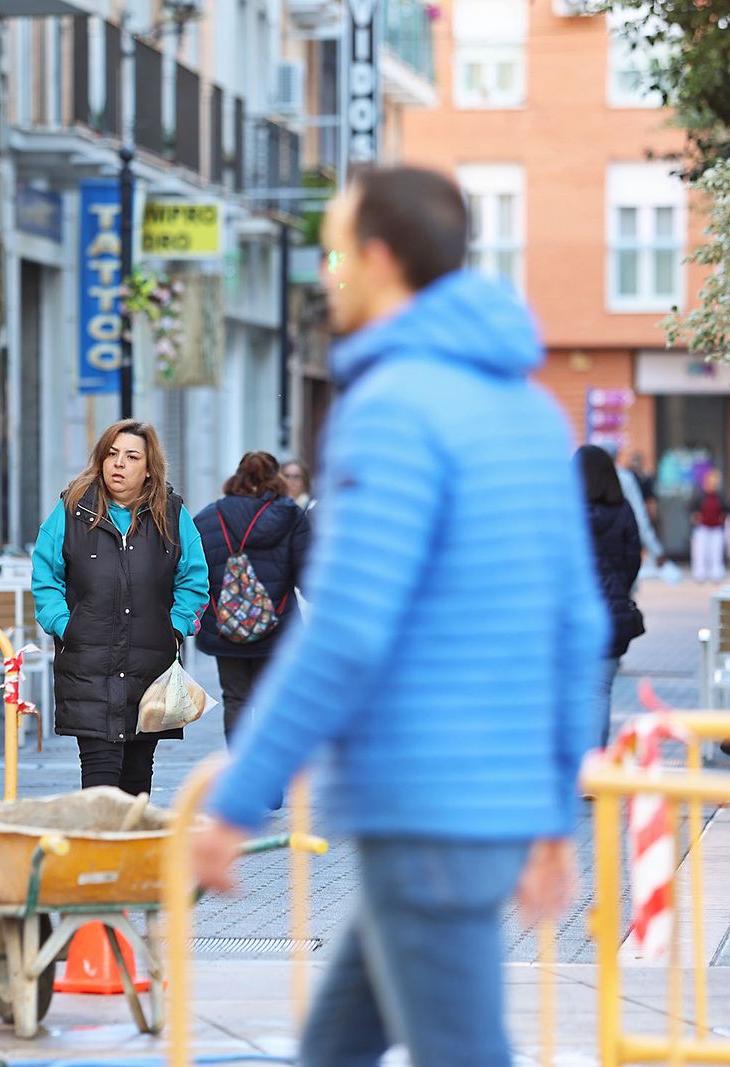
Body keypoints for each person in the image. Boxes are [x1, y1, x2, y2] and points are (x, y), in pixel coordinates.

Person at [191, 166, 608, 1067]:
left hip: (425, 805)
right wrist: (550, 812)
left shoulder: (391, 405)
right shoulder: (533, 412)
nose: (326, 272)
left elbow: (345, 630)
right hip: (472, 804)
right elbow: (576, 621)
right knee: (336, 1050)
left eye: (335, 251)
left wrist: (237, 796)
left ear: (379, 259)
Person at [30, 421, 208, 797]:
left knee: (137, 781)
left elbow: (194, 582)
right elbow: (45, 576)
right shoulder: (71, 510)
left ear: (148, 467)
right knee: (99, 785)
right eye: (112, 454)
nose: (119, 464)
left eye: (131, 457)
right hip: (89, 669)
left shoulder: (172, 515)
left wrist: (174, 629)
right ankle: (101, 857)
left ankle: (129, 857)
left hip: (150, 673)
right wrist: (65, 625)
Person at [193, 452, 311, 743]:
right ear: (276, 479)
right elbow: (307, 571)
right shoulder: (290, 515)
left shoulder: (210, 517)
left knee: (236, 699)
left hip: (225, 628)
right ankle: (269, 778)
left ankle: (240, 772)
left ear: (237, 477)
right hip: (278, 627)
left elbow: (194, 570)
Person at [576, 446, 644, 748]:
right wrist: (618, 589)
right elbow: (633, 561)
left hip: (573, 614)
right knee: (599, 691)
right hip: (614, 613)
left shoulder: (567, 513)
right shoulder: (623, 510)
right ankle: (596, 770)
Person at [690, 469, 729, 583]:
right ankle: (700, 573)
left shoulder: (720, 496)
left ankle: (716, 573)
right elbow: (691, 508)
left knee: (716, 552)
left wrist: (723, 517)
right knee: (700, 552)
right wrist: (695, 517)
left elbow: (727, 509)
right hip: (702, 528)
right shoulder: (699, 495)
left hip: (716, 528)